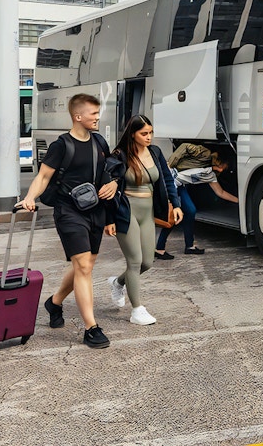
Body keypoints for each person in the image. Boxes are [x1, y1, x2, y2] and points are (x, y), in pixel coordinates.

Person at [16, 93, 118, 349]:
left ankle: (55, 302)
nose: (98, 118)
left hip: (95, 209)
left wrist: (114, 185)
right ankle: (91, 328)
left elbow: (109, 172)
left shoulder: (99, 142)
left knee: (86, 265)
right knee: (83, 266)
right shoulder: (61, 145)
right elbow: (43, 177)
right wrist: (29, 198)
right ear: (78, 116)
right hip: (69, 210)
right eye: (94, 114)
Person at [106, 115, 183, 325]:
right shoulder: (119, 156)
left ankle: (118, 282)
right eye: (144, 133)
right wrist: (109, 219)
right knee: (134, 261)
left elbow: (167, 179)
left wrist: (176, 204)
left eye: (151, 133)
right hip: (126, 210)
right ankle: (137, 310)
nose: (149, 137)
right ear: (133, 134)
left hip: (148, 212)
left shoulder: (155, 152)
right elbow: (109, 188)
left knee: (147, 262)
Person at [155, 142, 239, 259]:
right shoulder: (205, 154)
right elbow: (184, 146)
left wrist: (239, 201)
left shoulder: (211, 176)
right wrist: (171, 164)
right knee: (174, 215)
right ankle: (159, 249)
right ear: (220, 160)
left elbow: (221, 193)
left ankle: (189, 246)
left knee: (190, 211)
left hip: (179, 186)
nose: (223, 169)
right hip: (169, 183)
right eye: (225, 165)